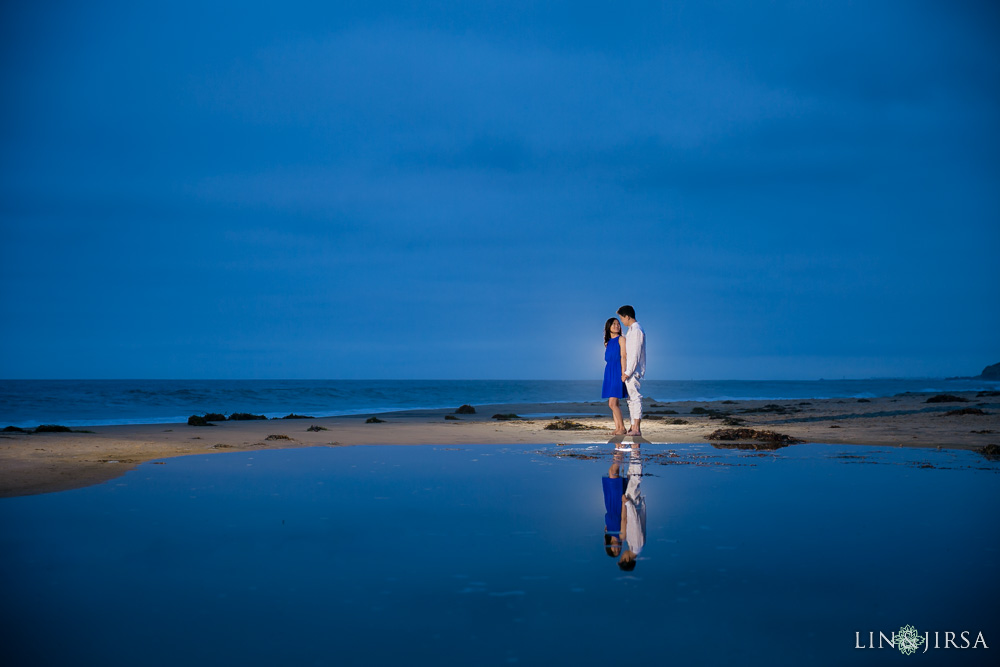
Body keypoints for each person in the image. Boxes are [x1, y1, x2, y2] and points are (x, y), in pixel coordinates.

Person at [617, 305, 646, 436]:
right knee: (630, 399)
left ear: (627, 316)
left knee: (635, 398)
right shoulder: (631, 330)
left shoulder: (637, 330)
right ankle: (633, 426)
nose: (621, 321)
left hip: (633, 371)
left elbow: (635, 354)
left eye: (622, 318)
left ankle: (637, 428)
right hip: (629, 370)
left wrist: (628, 372)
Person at [617, 447, 646, 571]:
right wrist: (628, 504)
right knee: (634, 479)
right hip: (633, 504)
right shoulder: (636, 545)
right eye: (622, 558)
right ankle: (635, 450)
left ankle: (635, 451)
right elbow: (635, 523)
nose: (622, 554)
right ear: (627, 559)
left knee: (632, 478)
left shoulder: (634, 546)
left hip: (633, 505)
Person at [601, 317, 628, 435]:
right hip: (609, 371)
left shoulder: (621, 339)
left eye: (618, 324)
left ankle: (622, 428)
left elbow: (624, 356)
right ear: (609, 327)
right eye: (614, 324)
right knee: (614, 403)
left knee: (612, 403)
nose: (617, 326)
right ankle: (617, 427)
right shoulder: (607, 343)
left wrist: (623, 372)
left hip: (617, 370)